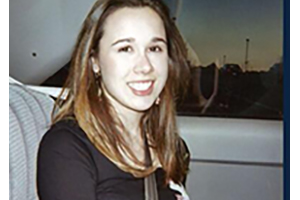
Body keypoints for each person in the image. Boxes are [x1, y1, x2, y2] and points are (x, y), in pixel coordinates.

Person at [37, 0, 191, 199]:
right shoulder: (67, 149)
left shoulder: (172, 148)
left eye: (154, 49)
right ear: (95, 62)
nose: (145, 67)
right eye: (125, 49)